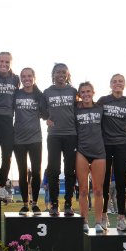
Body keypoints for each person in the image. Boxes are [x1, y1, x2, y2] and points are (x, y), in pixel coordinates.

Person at [97, 74, 126, 232]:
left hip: (122, 145)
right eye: (114, 81)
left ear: (124, 84)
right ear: (110, 84)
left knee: (120, 183)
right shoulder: (103, 100)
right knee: (104, 182)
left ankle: (121, 218)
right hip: (104, 145)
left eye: (120, 81)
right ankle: (103, 216)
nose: (117, 84)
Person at [42, 63, 78, 216]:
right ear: (53, 74)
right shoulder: (47, 92)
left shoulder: (73, 91)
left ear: (68, 75)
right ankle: (54, 204)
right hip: (54, 135)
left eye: (64, 72)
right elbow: (42, 109)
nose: (61, 75)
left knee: (70, 170)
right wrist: (45, 118)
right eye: (58, 72)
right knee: (53, 170)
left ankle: (68, 203)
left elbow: (80, 109)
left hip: (71, 135)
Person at [13, 68, 46, 215]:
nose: (27, 79)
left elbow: (46, 114)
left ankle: (35, 203)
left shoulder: (40, 95)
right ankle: (25, 204)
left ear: (34, 77)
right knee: (22, 172)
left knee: (36, 172)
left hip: (35, 139)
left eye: (29, 76)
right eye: (24, 76)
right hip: (18, 139)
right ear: (21, 78)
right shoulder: (16, 93)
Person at [0, 52, 19, 201]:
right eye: (1, 61)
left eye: (7, 62)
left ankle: (2, 184)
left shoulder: (16, 79)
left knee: (7, 154)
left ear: (11, 63)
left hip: (7, 119)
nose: (4, 64)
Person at [74, 83, 106, 232]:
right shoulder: (76, 109)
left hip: (99, 152)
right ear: (79, 94)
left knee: (98, 190)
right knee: (83, 190)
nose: (86, 94)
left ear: (93, 92)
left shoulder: (100, 108)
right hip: (82, 152)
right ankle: (84, 221)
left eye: (88, 91)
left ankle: (98, 222)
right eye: (83, 92)